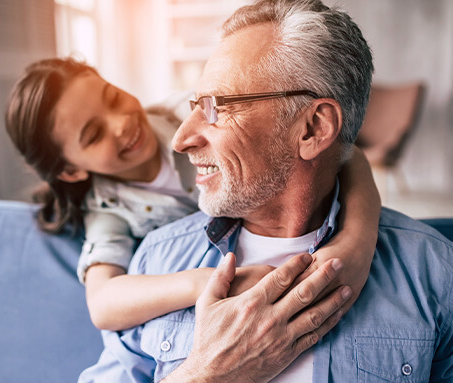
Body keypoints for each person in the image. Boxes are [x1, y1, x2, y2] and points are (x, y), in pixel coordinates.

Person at [78, 0, 453, 382]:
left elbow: (350, 157)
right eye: (194, 105)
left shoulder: (431, 272)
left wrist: (357, 239)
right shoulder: (156, 261)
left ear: (312, 129)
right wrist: (209, 372)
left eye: (216, 108)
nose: (181, 139)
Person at [5, 55, 380, 332]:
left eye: (113, 98)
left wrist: (356, 244)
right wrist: (206, 282)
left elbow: (346, 154)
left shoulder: (186, 111)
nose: (121, 124)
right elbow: (103, 304)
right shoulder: (108, 210)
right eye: (93, 135)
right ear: (71, 170)